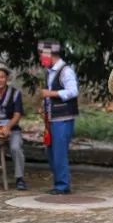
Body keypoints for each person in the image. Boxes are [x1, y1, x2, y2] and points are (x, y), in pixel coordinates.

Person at [39, 40, 78, 195]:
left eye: (42, 54)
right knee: (51, 151)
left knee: (59, 152)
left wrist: (51, 94)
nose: (41, 57)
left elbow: (73, 91)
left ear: (48, 54)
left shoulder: (65, 71)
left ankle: (62, 186)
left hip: (63, 118)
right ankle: (59, 183)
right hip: (52, 117)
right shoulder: (50, 72)